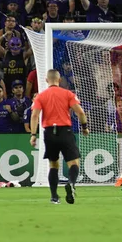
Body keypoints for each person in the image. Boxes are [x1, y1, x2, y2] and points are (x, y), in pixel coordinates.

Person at [29, 69, 89, 204]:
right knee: (73, 162)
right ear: (59, 80)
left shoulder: (41, 96)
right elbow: (80, 112)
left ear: (46, 80)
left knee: (53, 165)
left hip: (49, 132)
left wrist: (33, 134)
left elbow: (34, 115)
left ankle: (54, 196)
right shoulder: (68, 93)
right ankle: (71, 183)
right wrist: (85, 127)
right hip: (65, 131)